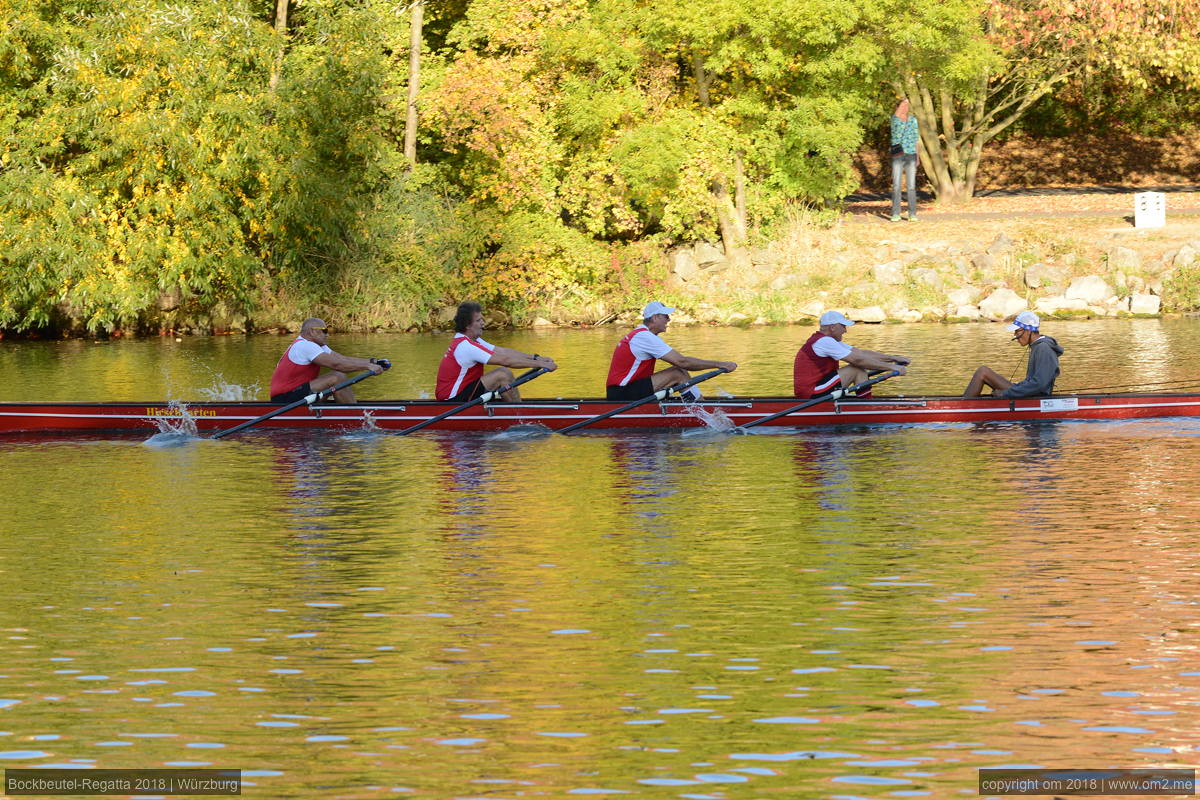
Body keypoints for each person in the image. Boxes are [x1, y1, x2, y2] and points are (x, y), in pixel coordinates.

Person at [606, 301, 738, 401]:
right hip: (622, 393)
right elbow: (683, 362)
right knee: (677, 372)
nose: (669, 319)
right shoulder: (643, 337)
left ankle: (695, 406)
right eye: (666, 316)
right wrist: (720, 364)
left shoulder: (642, 335)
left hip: (626, 389)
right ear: (655, 317)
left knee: (677, 373)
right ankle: (703, 411)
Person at [436, 301, 558, 402]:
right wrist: (541, 365)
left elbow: (503, 352)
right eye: (478, 321)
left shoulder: (472, 340)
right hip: (452, 399)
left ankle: (515, 410)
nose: (483, 323)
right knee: (503, 374)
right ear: (467, 325)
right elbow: (505, 361)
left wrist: (536, 358)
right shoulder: (466, 346)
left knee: (503, 375)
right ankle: (520, 416)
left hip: (462, 392)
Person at [793, 311, 910, 399]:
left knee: (858, 367)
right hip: (811, 392)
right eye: (843, 326)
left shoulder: (829, 341)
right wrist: (892, 367)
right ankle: (866, 406)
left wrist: (893, 358)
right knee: (856, 368)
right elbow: (858, 360)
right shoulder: (824, 341)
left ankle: (865, 404)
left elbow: (861, 353)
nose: (845, 330)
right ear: (832, 327)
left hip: (819, 386)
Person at [269, 318, 386, 404]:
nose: (327, 334)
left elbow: (341, 358)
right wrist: (367, 367)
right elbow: (337, 365)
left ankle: (349, 410)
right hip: (284, 399)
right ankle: (355, 416)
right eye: (324, 330)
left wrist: (372, 362)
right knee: (337, 377)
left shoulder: (317, 345)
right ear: (312, 332)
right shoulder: (304, 346)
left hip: (299, 393)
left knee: (337, 377)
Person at [963, 311, 1063, 398]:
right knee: (983, 371)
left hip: (1035, 396)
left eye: (1017, 331)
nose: (1015, 336)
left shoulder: (1044, 348)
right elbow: (1033, 382)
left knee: (983, 372)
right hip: (1029, 392)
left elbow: (1040, 384)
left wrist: (1006, 393)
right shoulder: (1037, 346)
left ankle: (963, 408)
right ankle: (964, 404)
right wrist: (1017, 387)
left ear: (1028, 331)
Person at [890, 98, 920, 222]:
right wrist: (903, 101)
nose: (906, 107)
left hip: (911, 154)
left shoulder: (913, 120)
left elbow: (916, 139)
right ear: (899, 107)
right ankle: (896, 213)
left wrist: (918, 157)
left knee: (911, 186)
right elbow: (897, 113)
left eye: (908, 105)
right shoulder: (895, 119)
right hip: (898, 154)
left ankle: (912, 214)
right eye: (904, 105)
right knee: (896, 185)